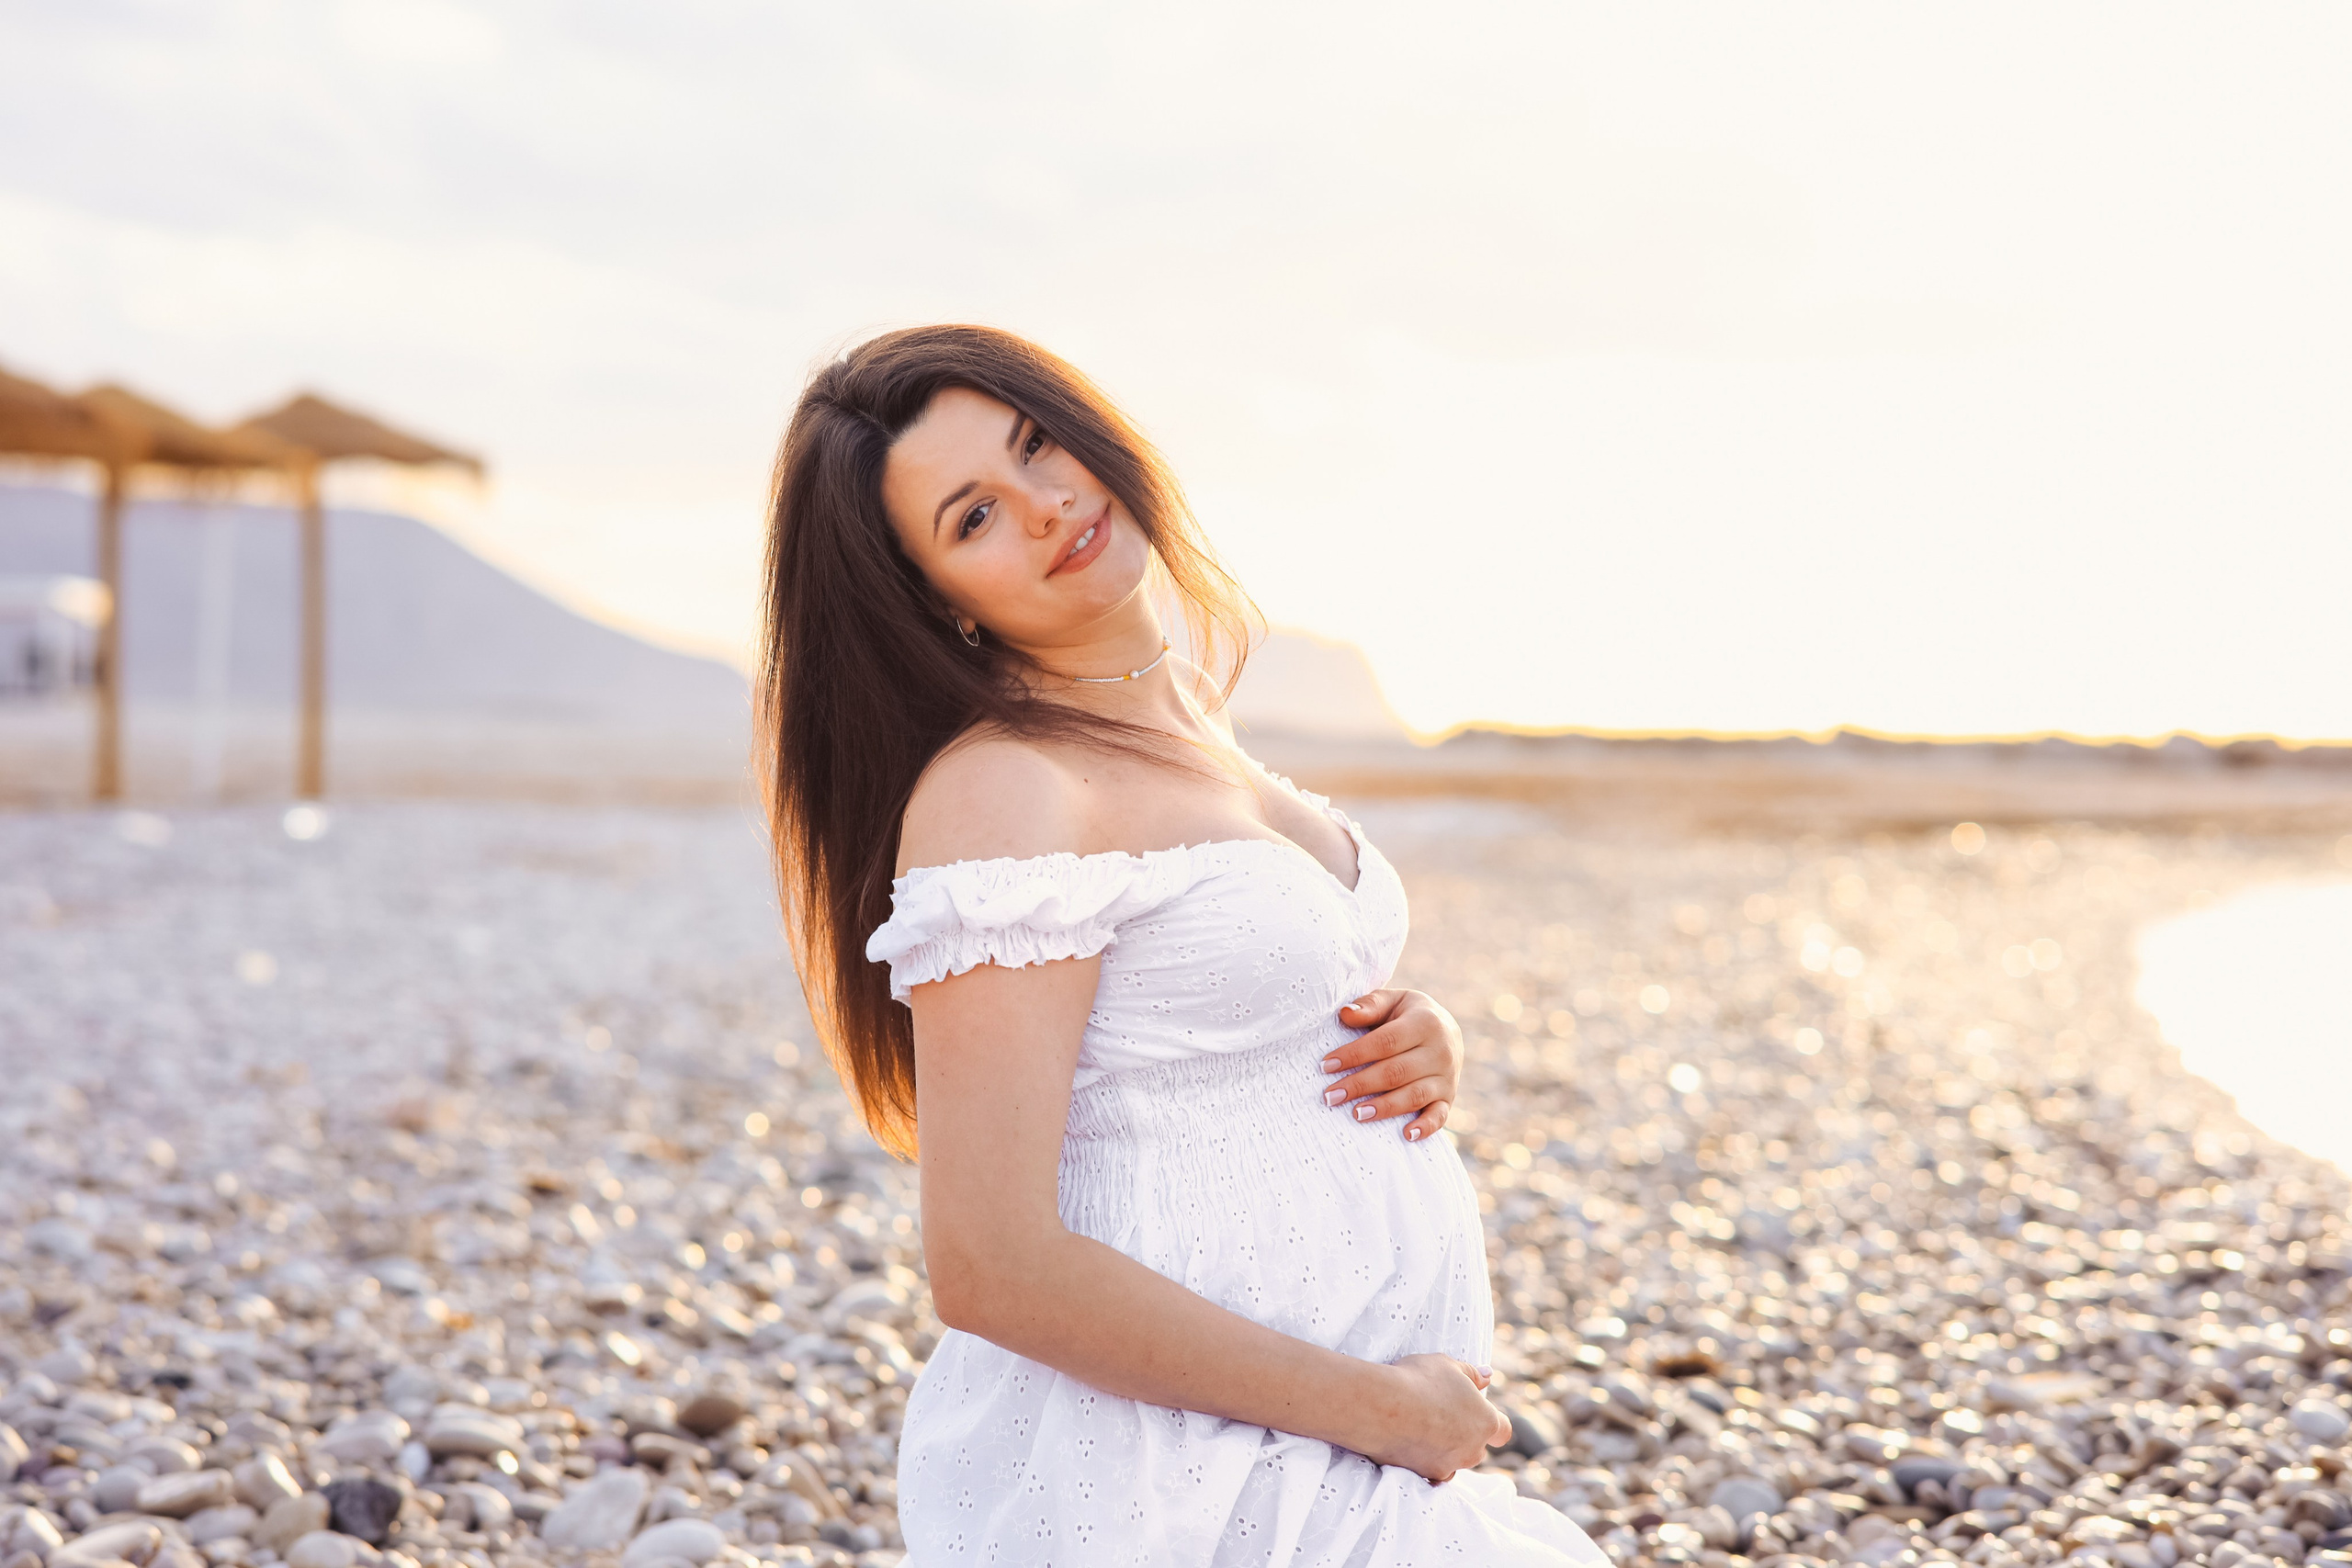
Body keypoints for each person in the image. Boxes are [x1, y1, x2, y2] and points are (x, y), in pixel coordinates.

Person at [757, 324, 1603, 1565]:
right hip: (1172, 1475)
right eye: (974, 518)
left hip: (1320, 1452)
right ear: (933, 601)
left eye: (1038, 447)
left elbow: (1232, 1018)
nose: (1047, 507)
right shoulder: (1008, 793)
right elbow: (989, 1262)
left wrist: (1422, 1038)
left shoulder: (1195, 732)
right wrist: (1384, 1413)